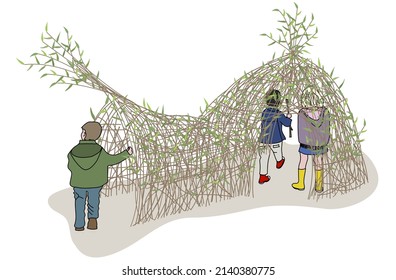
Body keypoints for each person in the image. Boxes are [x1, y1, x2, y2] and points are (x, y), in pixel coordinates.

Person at [67, 121, 133, 231]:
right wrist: (126, 153)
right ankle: (92, 221)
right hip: (95, 183)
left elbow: (70, 166)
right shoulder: (99, 151)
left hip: (78, 183)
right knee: (94, 200)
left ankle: (79, 224)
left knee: (79, 202)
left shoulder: (73, 151)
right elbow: (112, 160)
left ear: (84, 134)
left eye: (83, 131)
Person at [292, 90, 330, 193]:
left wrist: (302, 142)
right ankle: (319, 185)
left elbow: (301, 130)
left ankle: (300, 183)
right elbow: (327, 128)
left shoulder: (302, 113)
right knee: (318, 162)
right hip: (320, 144)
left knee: (303, 161)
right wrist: (325, 142)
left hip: (306, 144)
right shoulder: (325, 111)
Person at [258, 89, 292, 184]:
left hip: (263, 140)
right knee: (277, 153)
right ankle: (279, 161)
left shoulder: (264, 112)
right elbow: (287, 123)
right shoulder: (278, 113)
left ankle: (262, 176)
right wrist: (288, 117)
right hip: (275, 140)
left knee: (263, 158)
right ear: (278, 102)